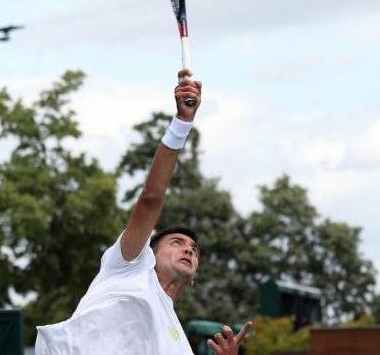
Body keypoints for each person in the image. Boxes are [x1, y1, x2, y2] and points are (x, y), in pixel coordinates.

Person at [35, 69, 252, 354]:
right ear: (148, 255)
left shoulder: (179, 345)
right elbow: (150, 198)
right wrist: (181, 124)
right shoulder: (130, 267)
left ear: (194, 278)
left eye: (194, 249)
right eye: (177, 243)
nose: (189, 250)